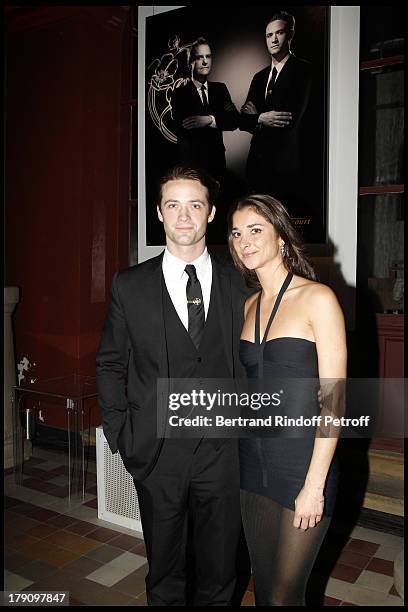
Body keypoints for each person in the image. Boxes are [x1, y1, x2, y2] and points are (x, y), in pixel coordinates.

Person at [96, 166, 251, 606]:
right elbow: (109, 364)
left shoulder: (240, 283)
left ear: (212, 213)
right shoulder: (130, 285)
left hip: (224, 455)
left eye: (195, 205)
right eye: (173, 205)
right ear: (160, 214)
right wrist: (121, 436)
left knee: (221, 575)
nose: (184, 216)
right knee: (164, 576)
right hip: (156, 454)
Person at [228, 193, 347, 606]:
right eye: (237, 232)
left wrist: (315, 485)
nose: (245, 241)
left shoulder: (318, 298)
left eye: (256, 230)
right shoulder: (248, 305)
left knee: (284, 596)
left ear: (281, 236)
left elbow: (335, 400)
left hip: (303, 466)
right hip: (251, 466)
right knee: (261, 588)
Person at [239, 12, 312, 214]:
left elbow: (288, 119)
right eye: (269, 35)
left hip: (287, 169)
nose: (274, 39)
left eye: (279, 33)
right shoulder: (259, 77)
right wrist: (262, 117)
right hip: (256, 169)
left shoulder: (304, 71)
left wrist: (256, 117)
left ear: (290, 35)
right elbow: (243, 120)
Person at [171, 37, 239, 184]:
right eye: (199, 57)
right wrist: (220, 118)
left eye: (208, 56)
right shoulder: (179, 94)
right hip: (192, 169)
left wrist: (208, 119)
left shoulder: (220, 89)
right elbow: (183, 128)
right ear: (191, 62)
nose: (205, 61)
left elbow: (234, 120)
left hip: (217, 167)